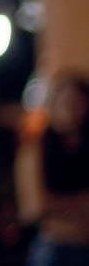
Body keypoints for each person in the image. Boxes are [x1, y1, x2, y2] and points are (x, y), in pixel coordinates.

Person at [17, 72, 89, 265]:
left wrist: (59, 206)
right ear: (54, 105)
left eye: (77, 102)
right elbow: (33, 208)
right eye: (65, 102)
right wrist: (79, 205)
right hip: (53, 246)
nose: (71, 109)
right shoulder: (36, 149)